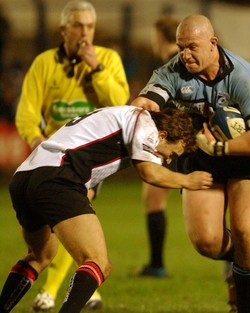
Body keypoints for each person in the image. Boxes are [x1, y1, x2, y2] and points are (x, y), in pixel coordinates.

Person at [131, 14, 250, 313]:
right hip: (202, 152)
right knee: (206, 241)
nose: (185, 54)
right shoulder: (172, 70)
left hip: (248, 152)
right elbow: (148, 103)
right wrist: (139, 110)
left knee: (245, 230)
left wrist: (222, 147)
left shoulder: (243, 76)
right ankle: (249, 263)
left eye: (192, 47)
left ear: (213, 43)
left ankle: (245, 304)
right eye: (180, 47)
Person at [0, 106, 213, 313]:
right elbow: (149, 173)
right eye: (172, 154)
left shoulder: (123, 117)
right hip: (59, 176)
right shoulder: (145, 123)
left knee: (40, 255)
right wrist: (187, 180)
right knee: (98, 262)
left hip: (24, 177)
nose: (167, 160)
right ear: (163, 135)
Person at [14, 1, 129, 311]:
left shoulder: (107, 59)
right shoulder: (44, 63)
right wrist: (37, 142)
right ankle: (88, 287)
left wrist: (98, 70)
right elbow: (26, 113)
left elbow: (121, 103)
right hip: (51, 158)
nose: (85, 33)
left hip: (87, 160)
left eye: (90, 26)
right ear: (63, 30)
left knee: (74, 212)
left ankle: (50, 291)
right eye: (78, 26)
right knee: (55, 231)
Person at [136, 15, 180, 278]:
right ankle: (229, 261)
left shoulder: (168, 65)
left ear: (160, 37)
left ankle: (157, 264)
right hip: (182, 139)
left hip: (169, 142)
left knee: (153, 199)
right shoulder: (186, 59)